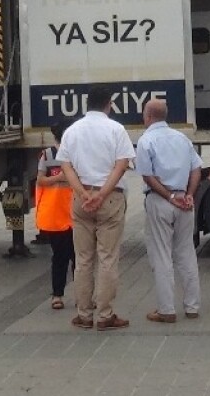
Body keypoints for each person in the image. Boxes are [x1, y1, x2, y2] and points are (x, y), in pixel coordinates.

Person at [57, 84, 136, 331]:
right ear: (108, 104)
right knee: (107, 258)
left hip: (81, 199)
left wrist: (82, 193)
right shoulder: (116, 129)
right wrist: (102, 194)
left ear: (86, 104)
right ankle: (104, 315)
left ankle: (83, 314)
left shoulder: (72, 131)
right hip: (110, 198)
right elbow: (121, 164)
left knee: (83, 259)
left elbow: (66, 166)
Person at [135, 98, 203, 323]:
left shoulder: (146, 141)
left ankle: (166, 310)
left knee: (162, 255)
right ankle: (192, 306)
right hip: (185, 200)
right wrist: (189, 194)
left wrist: (169, 196)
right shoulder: (182, 138)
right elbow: (196, 169)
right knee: (186, 253)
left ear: (148, 116)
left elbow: (148, 176)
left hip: (160, 200)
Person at [35, 122, 75, 309]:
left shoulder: (78, 154)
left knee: (78, 257)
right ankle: (57, 294)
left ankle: (79, 295)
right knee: (61, 255)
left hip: (74, 213)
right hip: (57, 214)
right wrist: (57, 178)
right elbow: (40, 179)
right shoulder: (48, 155)